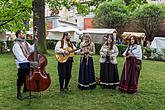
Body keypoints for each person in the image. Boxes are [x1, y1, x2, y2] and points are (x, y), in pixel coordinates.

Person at [12, 30, 36, 100]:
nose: (23, 34)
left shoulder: (25, 42)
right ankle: (18, 93)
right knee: (21, 78)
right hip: (21, 63)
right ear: (19, 34)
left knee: (28, 76)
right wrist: (30, 61)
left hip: (27, 62)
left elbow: (31, 49)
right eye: (22, 33)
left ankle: (26, 89)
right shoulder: (16, 45)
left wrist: (35, 42)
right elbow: (21, 58)